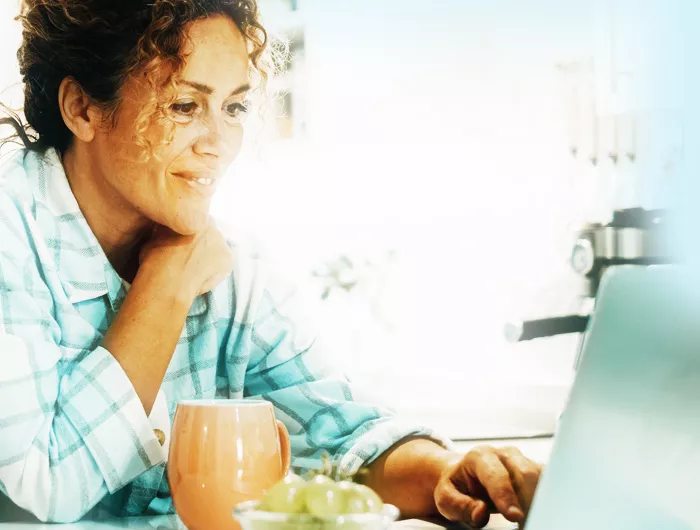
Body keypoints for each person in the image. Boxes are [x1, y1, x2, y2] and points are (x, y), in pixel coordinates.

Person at [0, 1, 541, 527]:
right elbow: (46, 481)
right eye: (184, 106)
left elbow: (342, 439)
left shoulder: (234, 271)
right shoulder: (13, 235)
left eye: (233, 107)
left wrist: (448, 472)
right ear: (83, 109)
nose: (218, 143)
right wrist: (166, 284)